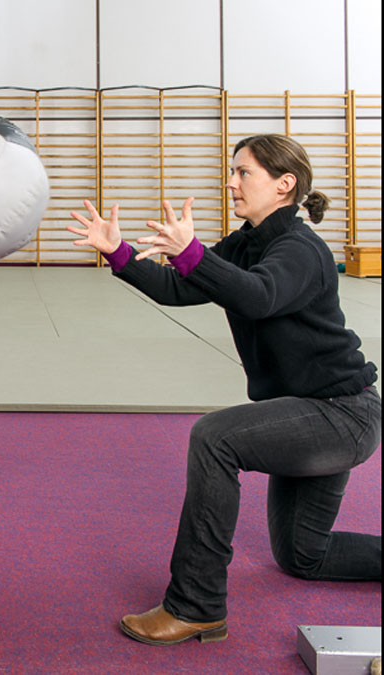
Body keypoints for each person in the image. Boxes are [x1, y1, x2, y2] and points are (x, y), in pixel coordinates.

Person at [67, 133, 380, 646]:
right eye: (232, 171)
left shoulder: (300, 248)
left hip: (341, 415)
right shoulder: (246, 242)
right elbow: (180, 287)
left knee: (215, 438)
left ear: (284, 184)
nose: (231, 182)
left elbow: (259, 296)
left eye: (244, 173)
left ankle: (196, 606)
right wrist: (117, 252)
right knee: (305, 555)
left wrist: (192, 252)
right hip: (307, 410)